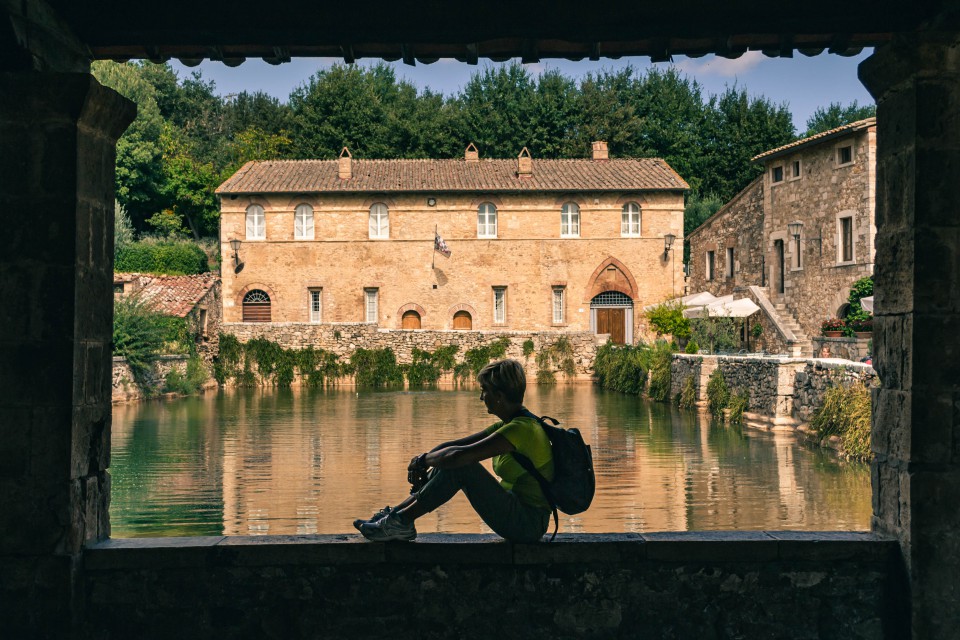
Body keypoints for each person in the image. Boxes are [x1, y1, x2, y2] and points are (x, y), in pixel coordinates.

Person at [354, 359, 553, 543]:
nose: (481, 397)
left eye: (484, 390)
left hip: (527, 523)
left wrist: (424, 462)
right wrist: (422, 459)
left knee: (461, 466)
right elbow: (451, 448)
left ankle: (401, 522)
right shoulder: (512, 424)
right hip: (516, 511)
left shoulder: (522, 429)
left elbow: (459, 456)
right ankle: (395, 517)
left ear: (499, 396)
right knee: (449, 461)